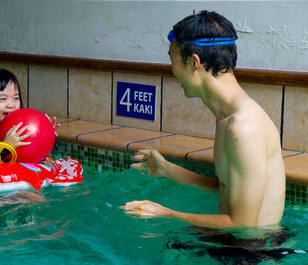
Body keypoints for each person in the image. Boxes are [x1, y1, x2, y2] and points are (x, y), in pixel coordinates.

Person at [122, 11, 285, 228]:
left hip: (251, 253)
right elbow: (225, 187)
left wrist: (165, 213)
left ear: (193, 62)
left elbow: (243, 224)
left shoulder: (244, 129)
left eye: (172, 59)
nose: (172, 70)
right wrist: (167, 170)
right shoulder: (229, 118)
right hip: (239, 245)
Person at [0, 68, 59, 156]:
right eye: (3, 99)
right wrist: (6, 147)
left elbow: (36, 149)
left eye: (16, 98)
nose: (11, 105)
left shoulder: (23, 125)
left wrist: (48, 136)